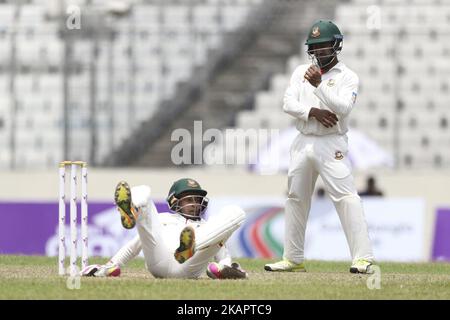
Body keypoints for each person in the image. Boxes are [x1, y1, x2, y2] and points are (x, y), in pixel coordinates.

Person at [264, 20, 375, 274]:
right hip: (302, 141)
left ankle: (363, 259)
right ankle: (292, 258)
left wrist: (319, 86)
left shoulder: (348, 77)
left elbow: (344, 108)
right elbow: (288, 104)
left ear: (336, 46)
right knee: (295, 198)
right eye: (314, 47)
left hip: (331, 142)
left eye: (324, 46)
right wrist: (313, 111)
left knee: (346, 198)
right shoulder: (300, 71)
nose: (319, 52)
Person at [81, 178, 247, 279]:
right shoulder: (162, 218)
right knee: (142, 190)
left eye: (197, 199)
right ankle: (131, 210)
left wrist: (225, 268)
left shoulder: (209, 227)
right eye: (188, 199)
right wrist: (112, 265)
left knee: (236, 213)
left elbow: (223, 256)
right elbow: (135, 246)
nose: (194, 203)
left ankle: (190, 248)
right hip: (159, 261)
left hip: (189, 266)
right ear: (174, 201)